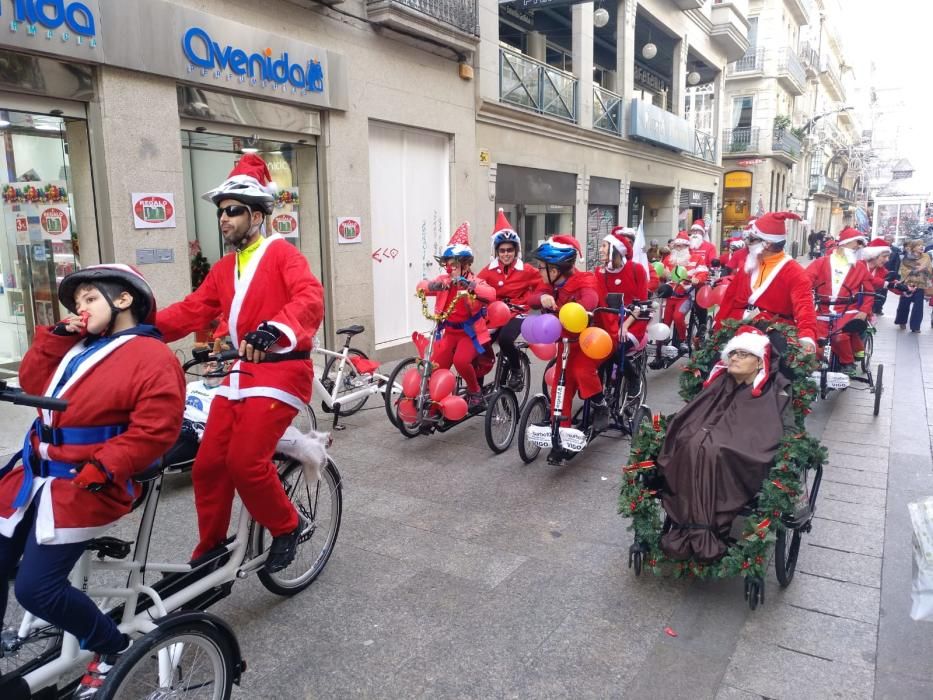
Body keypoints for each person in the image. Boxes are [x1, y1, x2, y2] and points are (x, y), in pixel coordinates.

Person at [0, 265, 185, 696]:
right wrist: (57, 336)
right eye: (77, 302)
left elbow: (157, 429)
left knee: (36, 591)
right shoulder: (78, 346)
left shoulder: (152, 356)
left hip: (86, 485)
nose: (80, 309)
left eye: (89, 298)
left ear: (123, 300)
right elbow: (32, 381)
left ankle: (110, 646)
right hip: (31, 475)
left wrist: (105, 466)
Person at [157, 154, 324, 573]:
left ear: (256, 215)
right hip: (239, 374)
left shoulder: (282, 254)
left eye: (232, 211)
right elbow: (192, 309)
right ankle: (211, 546)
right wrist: (133, 327)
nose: (223, 219)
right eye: (220, 212)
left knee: (245, 462)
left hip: (282, 372)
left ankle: (287, 524)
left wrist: (273, 329)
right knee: (208, 466)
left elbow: (310, 298)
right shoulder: (224, 268)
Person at [656, 326, 794, 561]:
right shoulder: (721, 382)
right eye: (733, 353)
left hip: (739, 452)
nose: (735, 358)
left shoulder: (773, 389)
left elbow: (764, 431)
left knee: (714, 451)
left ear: (760, 362)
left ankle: (705, 529)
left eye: (743, 354)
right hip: (708, 443)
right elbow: (694, 414)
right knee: (689, 445)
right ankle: (690, 527)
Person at [528, 235, 608, 430]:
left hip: (590, 341)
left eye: (541, 267)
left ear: (554, 270)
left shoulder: (585, 279)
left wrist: (574, 309)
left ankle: (600, 404)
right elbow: (532, 298)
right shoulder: (551, 283)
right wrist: (543, 297)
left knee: (581, 371)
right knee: (560, 384)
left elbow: (590, 299)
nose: (538, 270)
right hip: (565, 342)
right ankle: (560, 428)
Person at [715, 211, 818, 352]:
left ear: (767, 244)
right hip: (736, 326)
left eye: (752, 239)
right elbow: (730, 298)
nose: (747, 244)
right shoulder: (750, 263)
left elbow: (805, 309)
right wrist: (717, 328)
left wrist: (807, 336)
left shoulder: (795, 273)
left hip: (771, 333)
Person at [418, 223, 496, 409]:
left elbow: (491, 294)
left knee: (461, 361)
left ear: (466, 265)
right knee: (437, 367)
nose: (449, 269)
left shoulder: (475, 281)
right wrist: (433, 287)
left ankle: (475, 391)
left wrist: (471, 287)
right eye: (447, 264)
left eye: (454, 265)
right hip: (449, 333)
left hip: (469, 334)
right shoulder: (444, 281)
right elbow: (420, 286)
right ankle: (436, 404)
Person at [477, 210, 540, 391]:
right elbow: (476, 285)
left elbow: (541, 287)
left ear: (516, 250)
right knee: (479, 345)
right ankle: (477, 391)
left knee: (505, 340)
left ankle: (516, 370)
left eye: (510, 250)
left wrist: (530, 300)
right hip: (495, 314)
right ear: (497, 251)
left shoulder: (526, 270)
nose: (506, 254)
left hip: (517, 313)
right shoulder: (489, 270)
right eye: (502, 250)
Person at [805, 227, 874, 375]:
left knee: (839, 337)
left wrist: (863, 311)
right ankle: (817, 363)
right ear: (846, 243)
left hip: (848, 310)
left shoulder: (860, 267)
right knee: (814, 338)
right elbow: (804, 282)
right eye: (857, 242)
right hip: (822, 310)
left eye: (861, 243)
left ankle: (847, 362)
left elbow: (869, 292)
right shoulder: (821, 263)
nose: (859, 247)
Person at [594, 229, 649, 395]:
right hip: (609, 323)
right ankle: (599, 398)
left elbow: (642, 304)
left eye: (604, 246)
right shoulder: (599, 273)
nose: (600, 249)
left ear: (616, 249)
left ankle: (633, 377)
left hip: (634, 323)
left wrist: (625, 326)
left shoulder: (636, 269)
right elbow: (600, 301)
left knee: (616, 348)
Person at [893, 238, 933, 333]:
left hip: (920, 285)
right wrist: (917, 270)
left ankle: (915, 326)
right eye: (919, 245)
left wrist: (925, 269)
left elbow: (930, 270)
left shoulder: (926, 257)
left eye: (922, 245)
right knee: (904, 304)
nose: (921, 247)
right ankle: (901, 321)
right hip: (908, 285)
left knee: (918, 307)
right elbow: (902, 271)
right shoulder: (906, 258)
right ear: (913, 247)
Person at [861, 238, 892, 316]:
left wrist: (906, 289)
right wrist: (885, 283)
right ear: (874, 255)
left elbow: (892, 284)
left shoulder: (883, 270)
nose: (887, 260)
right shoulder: (859, 265)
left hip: (868, 307)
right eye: (884, 256)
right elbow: (866, 279)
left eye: (888, 257)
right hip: (850, 307)